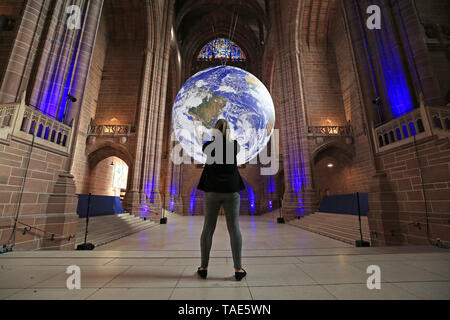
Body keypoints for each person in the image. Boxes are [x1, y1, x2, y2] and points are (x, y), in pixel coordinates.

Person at [196, 119, 247, 281]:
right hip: (231, 190)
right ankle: (238, 269)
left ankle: (203, 268)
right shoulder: (235, 146)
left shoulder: (208, 146)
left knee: (208, 228)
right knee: (234, 228)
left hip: (212, 190)